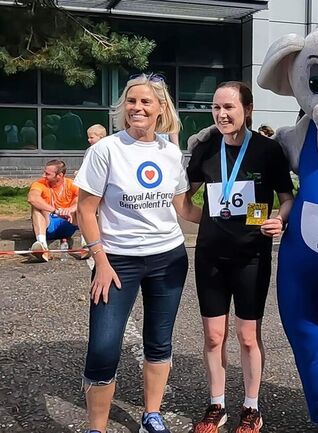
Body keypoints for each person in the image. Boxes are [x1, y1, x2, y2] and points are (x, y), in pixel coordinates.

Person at [74, 73, 202, 433]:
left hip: (168, 259)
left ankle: (152, 414)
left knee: (159, 341)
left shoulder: (170, 152)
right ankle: (95, 428)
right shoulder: (106, 150)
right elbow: (86, 210)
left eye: (146, 101)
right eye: (131, 101)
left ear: (161, 108)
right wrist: (100, 261)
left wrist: (232, 221)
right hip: (117, 262)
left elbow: (185, 209)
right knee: (102, 348)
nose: (137, 108)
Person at [186, 81, 294, 433]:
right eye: (216, 108)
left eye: (228, 107)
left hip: (251, 255)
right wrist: (204, 219)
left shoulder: (267, 150)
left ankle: (252, 407)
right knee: (214, 336)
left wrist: (279, 219)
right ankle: (216, 405)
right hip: (210, 256)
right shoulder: (205, 149)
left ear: (247, 109)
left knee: (248, 336)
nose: (221, 114)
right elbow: (183, 196)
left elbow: (286, 197)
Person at [27, 159, 79, 261]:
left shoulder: (71, 184)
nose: (43, 176)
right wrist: (55, 211)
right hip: (47, 224)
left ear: (59, 175)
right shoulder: (39, 183)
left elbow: (83, 200)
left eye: (47, 174)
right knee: (37, 208)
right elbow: (32, 198)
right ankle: (42, 246)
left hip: (68, 223)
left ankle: (86, 245)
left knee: (80, 208)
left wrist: (69, 209)